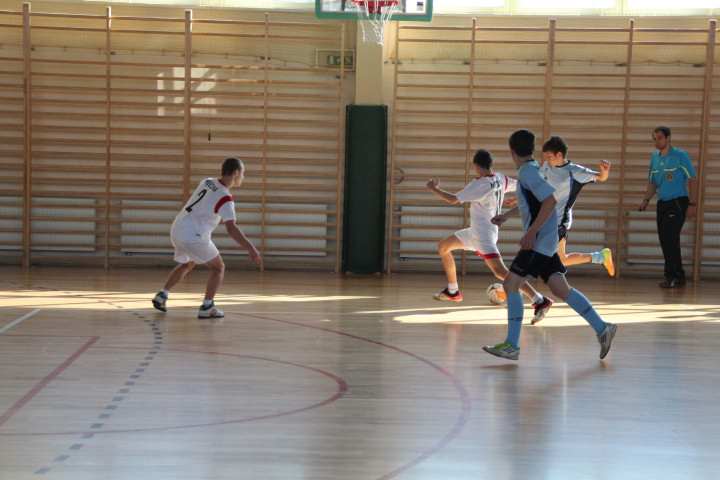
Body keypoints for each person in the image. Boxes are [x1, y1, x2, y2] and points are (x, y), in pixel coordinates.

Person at [483, 129, 617, 361]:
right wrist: (507, 215)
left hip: (540, 241)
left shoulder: (528, 172)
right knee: (560, 288)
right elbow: (534, 204)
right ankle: (602, 328)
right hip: (547, 239)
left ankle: (512, 345)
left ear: (512, 151)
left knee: (511, 284)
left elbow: (550, 201)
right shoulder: (535, 169)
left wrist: (532, 232)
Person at [426, 149, 553, 324]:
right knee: (444, 246)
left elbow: (453, 199)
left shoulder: (480, 184)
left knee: (502, 273)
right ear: (491, 164)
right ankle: (453, 291)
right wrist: (516, 200)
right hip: (476, 232)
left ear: (476, 167)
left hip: (483, 237)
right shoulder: (500, 178)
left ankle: (540, 300)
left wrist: (433, 188)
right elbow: (523, 187)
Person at [152, 157, 261, 318]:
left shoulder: (207, 181)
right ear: (236, 173)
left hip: (177, 228)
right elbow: (231, 229)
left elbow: (201, 203)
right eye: (243, 173)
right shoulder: (225, 198)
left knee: (188, 263)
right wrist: (251, 248)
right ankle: (207, 307)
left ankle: (162, 295)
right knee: (218, 268)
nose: (243, 177)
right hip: (194, 236)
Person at [540, 135, 614, 276]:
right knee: (562, 259)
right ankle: (600, 257)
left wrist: (604, 171)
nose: (547, 159)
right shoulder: (547, 167)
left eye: (549, 156)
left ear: (559, 154)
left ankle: (515, 285)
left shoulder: (575, 172)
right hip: (547, 220)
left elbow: (601, 177)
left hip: (559, 221)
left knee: (539, 257)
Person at [638, 126, 697, 288]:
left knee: (668, 237)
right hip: (662, 203)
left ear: (668, 138)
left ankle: (671, 276)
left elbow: (692, 179)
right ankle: (678, 276)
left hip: (678, 202)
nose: (656, 142)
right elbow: (652, 182)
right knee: (667, 240)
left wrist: (692, 203)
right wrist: (646, 200)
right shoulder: (654, 158)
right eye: (654, 139)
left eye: (659, 138)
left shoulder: (680, 156)